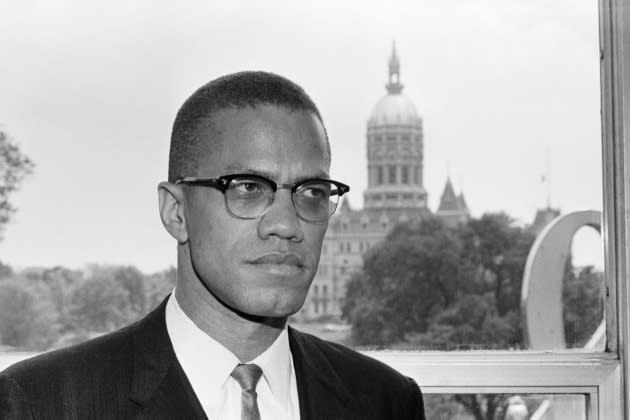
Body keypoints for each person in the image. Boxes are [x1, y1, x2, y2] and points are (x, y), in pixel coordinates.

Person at [0, 71, 426, 419]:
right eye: (247, 187)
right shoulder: (41, 403)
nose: (285, 224)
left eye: (311, 192)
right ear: (175, 212)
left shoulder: (387, 402)